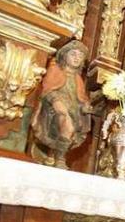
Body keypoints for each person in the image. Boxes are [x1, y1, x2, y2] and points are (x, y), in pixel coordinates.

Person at [31, 40, 92, 169]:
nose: (77, 58)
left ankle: (55, 155)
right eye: (73, 54)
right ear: (65, 55)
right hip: (54, 109)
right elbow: (48, 89)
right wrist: (55, 101)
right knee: (66, 122)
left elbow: (80, 97)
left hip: (72, 111)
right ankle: (60, 159)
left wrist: (85, 106)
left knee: (69, 125)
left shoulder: (78, 79)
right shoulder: (55, 70)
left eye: (80, 56)